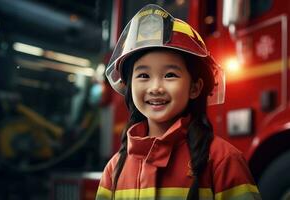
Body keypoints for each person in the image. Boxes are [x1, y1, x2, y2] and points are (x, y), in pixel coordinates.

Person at [96, 4, 261, 200]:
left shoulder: (223, 161)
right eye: (143, 75)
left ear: (195, 88)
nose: (155, 87)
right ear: (129, 86)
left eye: (170, 74)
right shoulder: (114, 169)